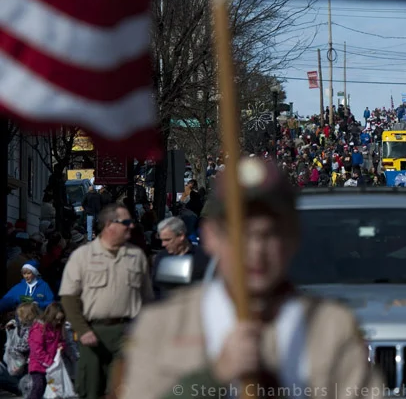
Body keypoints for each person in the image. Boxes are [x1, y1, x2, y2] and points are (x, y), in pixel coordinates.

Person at [119, 157, 383, 399]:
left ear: (293, 238)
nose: (256, 250)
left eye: (270, 234)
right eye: (240, 234)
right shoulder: (163, 326)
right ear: (211, 237)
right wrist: (212, 377)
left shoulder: (331, 327)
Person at [59, 203, 153, 399]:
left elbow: (147, 298)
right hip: (93, 332)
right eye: (126, 222)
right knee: (91, 389)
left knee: (124, 390)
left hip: (127, 332)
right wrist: (82, 330)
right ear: (110, 224)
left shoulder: (136, 256)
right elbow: (68, 297)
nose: (131, 226)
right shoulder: (82, 256)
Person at [151, 217, 210, 300]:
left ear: (181, 236)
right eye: (162, 240)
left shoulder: (203, 256)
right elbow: (155, 288)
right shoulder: (161, 258)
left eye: (167, 240)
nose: (163, 244)